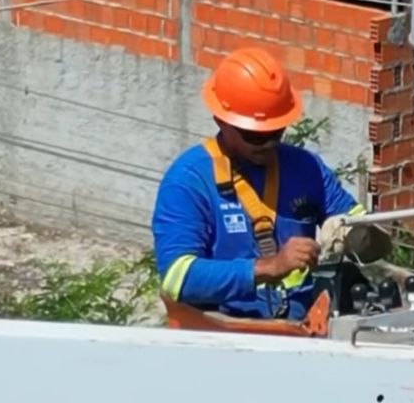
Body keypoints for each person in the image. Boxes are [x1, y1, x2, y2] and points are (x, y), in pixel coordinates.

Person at [152, 46, 365, 321]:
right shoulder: (189, 181)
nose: (267, 144)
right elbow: (177, 277)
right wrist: (270, 266)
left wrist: (363, 236)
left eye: (276, 133)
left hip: (297, 329)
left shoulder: (304, 167)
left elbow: (359, 223)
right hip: (223, 332)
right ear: (222, 120)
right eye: (254, 136)